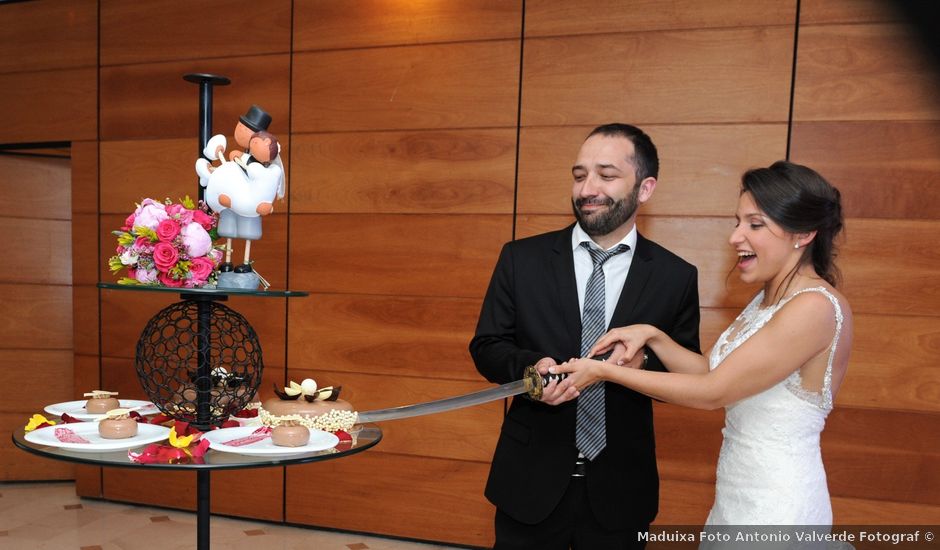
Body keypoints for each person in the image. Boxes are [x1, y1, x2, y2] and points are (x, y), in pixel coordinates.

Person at [550, 160, 853, 527]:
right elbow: (710, 367)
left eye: (755, 224)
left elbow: (712, 391)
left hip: (779, 503)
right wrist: (654, 335)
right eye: (737, 222)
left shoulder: (814, 307)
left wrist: (604, 372)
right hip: (737, 494)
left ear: (803, 234)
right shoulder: (766, 300)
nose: (735, 237)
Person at [470, 123, 701, 549]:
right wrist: (530, 372)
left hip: (622, 488)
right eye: (580, 175)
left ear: (645, 188)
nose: (587, 189)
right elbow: (487, 346)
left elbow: (686, 373)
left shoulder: (675, 277)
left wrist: (643, 363)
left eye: (606, 175)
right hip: (529, 480)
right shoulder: (521, 259)